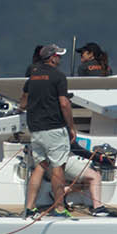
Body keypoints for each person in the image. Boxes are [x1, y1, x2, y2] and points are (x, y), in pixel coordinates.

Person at [22, 43, 77, 217]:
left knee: (40, 166)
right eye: (58, 56)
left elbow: (23, 103)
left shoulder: (32, 77)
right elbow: (64, 103)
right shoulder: (58, 76)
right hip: (54, 128)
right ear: (52, 58)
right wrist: (71, 127)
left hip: (36, 129)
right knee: (57, 167)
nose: (60, 58)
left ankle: (30, 207)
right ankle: (60, 208)